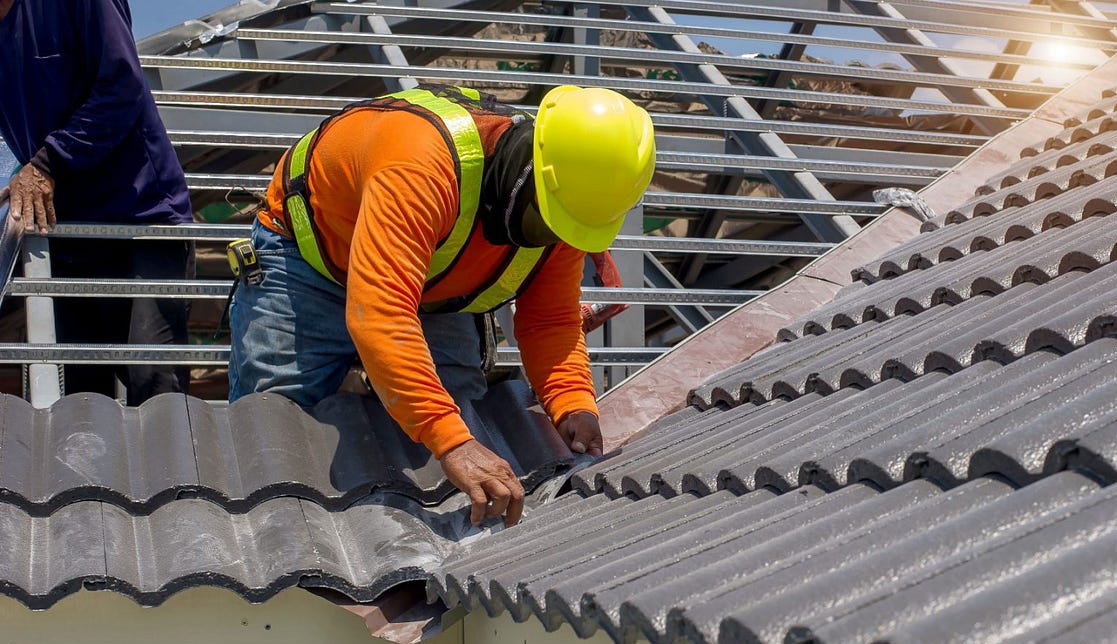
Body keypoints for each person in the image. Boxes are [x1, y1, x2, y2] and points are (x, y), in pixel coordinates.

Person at [228, 84, 655, 527]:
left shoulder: (570, 204)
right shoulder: (422, 163)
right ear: (527, 168)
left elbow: (549, 320)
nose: (553, 235)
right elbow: (381, 314)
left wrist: (574, 404)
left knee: (459, 411)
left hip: (432, 277)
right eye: (547, 218)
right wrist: (452, 443)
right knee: (276, 428)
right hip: (311, 260)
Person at [0, 0, 195, 404]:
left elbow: (122, 84)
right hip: (67, 234)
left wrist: (48, 162)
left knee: (155, 384)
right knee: (81, 405)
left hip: (143, 222)